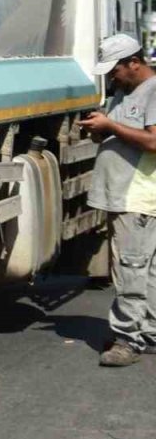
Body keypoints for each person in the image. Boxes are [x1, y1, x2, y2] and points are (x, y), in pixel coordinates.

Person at [80, 33, 156, 367]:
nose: (112, 76)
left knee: (130, 269)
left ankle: (127, 340)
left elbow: (153, 142)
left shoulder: (153, 91)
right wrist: (101, 129)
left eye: (115, 70)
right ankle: (148, 333)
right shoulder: (123, 92)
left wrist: (110, 124)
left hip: (136, 195)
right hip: (125, 194)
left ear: (134, 63)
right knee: (144, 270)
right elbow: (121, 133)